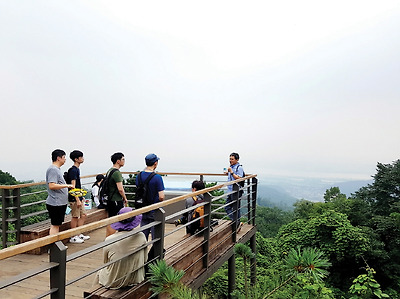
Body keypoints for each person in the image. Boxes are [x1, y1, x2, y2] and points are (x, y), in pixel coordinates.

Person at [95, 207, 147, 289]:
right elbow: (145, 258)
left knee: (99, 273)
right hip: (136, 278)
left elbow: (106, 261)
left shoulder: (109, 240)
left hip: (114, 281)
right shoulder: (141, 236)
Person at [136, 153, 165, 240]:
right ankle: (155, 253)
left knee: (143, 236)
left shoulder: (139, 176)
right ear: (155, 163)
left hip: (143, 208)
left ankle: (142, 253)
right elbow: (161, 197)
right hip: (154, 209)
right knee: (156, 237)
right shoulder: (157, 178)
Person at [45, 149, 73, 235]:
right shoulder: (53, 169)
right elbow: (52, 185)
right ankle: (54, 244)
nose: (65, 159)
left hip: (59, 202)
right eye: (64, 157)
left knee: (57, 224)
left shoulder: (56, 169)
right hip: (55, 202)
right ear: (58, 158)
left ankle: (55, 244)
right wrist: (67, 185)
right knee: (55, 225)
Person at [66, 150, 90, 244]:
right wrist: (77, 199)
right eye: (81, 157)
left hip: (78, 197)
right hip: (74, 198)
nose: (83, 158)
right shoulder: (73, 170)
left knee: (83, 215)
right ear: (76, 159)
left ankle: (78, 233)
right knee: (75, 216)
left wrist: (81, 197)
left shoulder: (77, 169)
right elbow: (73, 186)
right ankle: (73, 236)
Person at [106, 152, 128, 237]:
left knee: (111, 219)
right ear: (118, 161)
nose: (124, 161)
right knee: (115, 220)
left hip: (110, 199)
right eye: (123, 159)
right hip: (116, 199)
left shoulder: (109, 171)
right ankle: (111, 239)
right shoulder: (117, 173)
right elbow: (120, 189)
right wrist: (125, 198)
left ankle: (108, 238)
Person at [224, 152, 244, 221]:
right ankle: (236, 221)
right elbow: (233, 177)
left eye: (232, 159)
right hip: (230, 190)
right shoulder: (231, 167)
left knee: (236, 208)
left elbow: (239, 178)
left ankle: (236, 222)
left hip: (236, 190)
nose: (230, 160)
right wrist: (228, 173)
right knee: (227, 207)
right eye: (230, 159)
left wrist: (231, 172)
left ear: (237, 159)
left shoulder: (239, 167)